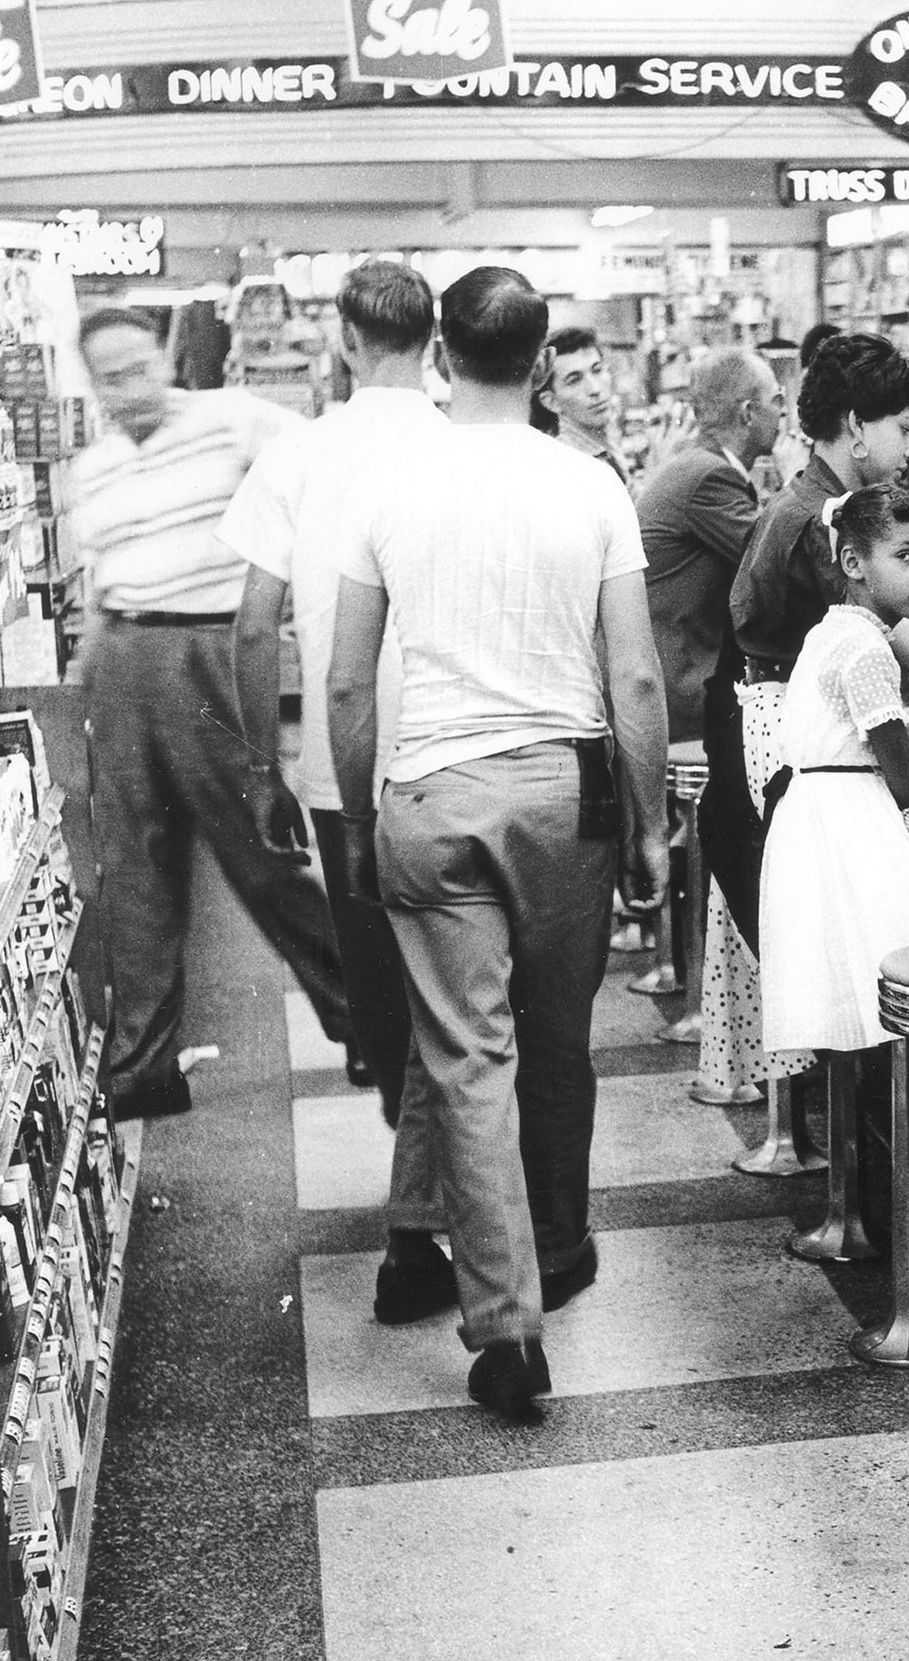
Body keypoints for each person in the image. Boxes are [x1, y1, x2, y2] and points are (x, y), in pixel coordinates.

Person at [325, 267, 672, 1423]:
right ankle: (562, 1242)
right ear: (538, 366)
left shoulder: (389, 485)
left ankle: (505, 1322)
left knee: (468, 1056)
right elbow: (632, 673)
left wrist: (362, 812)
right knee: (558, 1039)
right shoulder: (591, 488)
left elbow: (343, 677)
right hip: (564, 793)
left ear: (437, 352)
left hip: (427, 791)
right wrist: (648, 820)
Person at [223, 258, 455, 1325]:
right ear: (433, 342)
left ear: (346, 342)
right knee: (473, 998)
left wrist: (258, 763)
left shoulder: (299, 456)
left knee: (390, 1008)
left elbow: (253, 622)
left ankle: (421, 1231)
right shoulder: (476, 448)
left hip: (342, 770)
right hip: (465, 758)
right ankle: (493, 1222)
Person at [69, 308, 349, 1122]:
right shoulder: (92, 470)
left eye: (137, 366)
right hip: (120, 658)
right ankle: (145, 1069)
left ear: (164, 358)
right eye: (109, 376)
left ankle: (364, 1015)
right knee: (135, 870)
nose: (129, 387)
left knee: (261, 855)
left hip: (208, 653)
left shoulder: (233, 419)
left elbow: (320, 469)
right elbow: (103, 579)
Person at [708, 332, 909, 957]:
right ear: (855, 427)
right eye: (905, 427)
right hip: (798, 748)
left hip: (770, 730)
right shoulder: (825, 523)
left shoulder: (811, 500)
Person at [759, 484, 909, 1058]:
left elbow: (858, 728)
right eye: (906, 555)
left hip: (812, 820)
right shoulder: (867, 650)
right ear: (853, 563)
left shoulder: (833, 632)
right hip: (852, 832)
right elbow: (908, 783)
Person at [636, 349, 784, 743]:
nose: (784, 412)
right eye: (777, 400)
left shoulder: (700, 464)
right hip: (685, 695)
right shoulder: (710, 478)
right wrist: (795, 478)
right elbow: (781, 561)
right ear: (749, 413)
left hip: (677, 681)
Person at [537, 324, 630, 487]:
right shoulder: (566, 464)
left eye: (597, 370)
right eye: (574, 380)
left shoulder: (604, 444)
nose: (595, 389)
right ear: (551, 402)